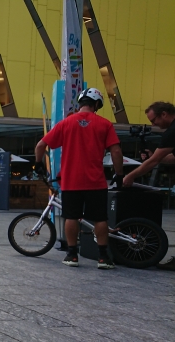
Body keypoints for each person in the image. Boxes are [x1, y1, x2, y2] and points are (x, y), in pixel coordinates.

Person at [35, 87, 123, 269]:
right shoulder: (105, 124)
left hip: (70, 181)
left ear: (81, 103)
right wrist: (119, 174)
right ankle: (103, 258)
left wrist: (38, 165)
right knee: (100, 219)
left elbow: (41, 145)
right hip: (96, 181)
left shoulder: (66, 123)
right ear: (96, 104)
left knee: (71, 217)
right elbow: (116, 151)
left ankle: (72, 255)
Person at [121, 102, 175, 270]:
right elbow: (170, 159)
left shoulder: (172, 131)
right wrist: (154, 155)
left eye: (154, 120)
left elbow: (153, 162)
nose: (153, 125)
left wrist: (130, 176)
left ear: (164, 114)